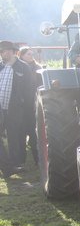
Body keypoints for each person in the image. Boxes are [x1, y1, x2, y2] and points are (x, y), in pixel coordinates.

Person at [0, 41, 34, 178]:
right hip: (1, 107)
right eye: (2, 51)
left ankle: (15, 164)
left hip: (15, 108)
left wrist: (25, 106)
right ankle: (7, 166)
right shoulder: (0, 67)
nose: (3, 53)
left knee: (15, 136)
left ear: (14, 52)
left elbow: (29, 88)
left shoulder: (23, 67)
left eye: (6, 51)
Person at [17, 47, 42, 165]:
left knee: (33, 132)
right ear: (21, 55)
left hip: (33, 103)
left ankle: (38, 159)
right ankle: (20, 161)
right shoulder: (17, 68)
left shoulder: (38, 68)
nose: (31, 56)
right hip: (19, 105)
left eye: (32, 54)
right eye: (28, 54)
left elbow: (40, 86)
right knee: (20, 132)